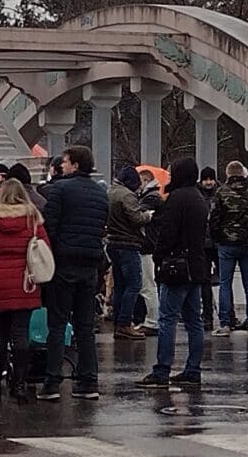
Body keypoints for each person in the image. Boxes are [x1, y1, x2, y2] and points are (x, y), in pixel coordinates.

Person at [37, 145, 109, 401]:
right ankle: (89, 380)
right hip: (90, 266)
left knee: (57, 325)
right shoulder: (100, 194)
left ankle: (52, 381)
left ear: (75, 165)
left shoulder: (61, 190)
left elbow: (49, 227)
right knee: (85, 327)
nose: (62, 166)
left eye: (66, 162)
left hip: (63, 264)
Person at [0, 172, 46, 401]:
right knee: (21, 334)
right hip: (25, 282)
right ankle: (20, 384)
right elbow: (44, 249)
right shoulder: (32, 219)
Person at [139, 156, 211, 390]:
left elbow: (168, 233)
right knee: (194, 320)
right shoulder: (199, 198)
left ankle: (162, 369)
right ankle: (193, 368)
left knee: (168, 318)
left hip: (176, 266)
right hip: (196, 265)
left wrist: (159, 256)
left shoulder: (176, 199)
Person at [209, 159, 248, 334]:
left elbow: (214, 219)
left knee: (225, 283)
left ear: (228, 174)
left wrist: (218, 238)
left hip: (227, 243)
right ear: (243, 173)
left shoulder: (221, 192)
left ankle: (224, 323)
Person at [106, 165, 154, 338]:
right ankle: (125, 323)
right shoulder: (127, 195)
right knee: (134, 284)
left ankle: (119, 321)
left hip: (113, 243)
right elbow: (136, 219)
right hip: (128, 244)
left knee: (120, 285)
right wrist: (148, 215)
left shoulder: (111, 192)